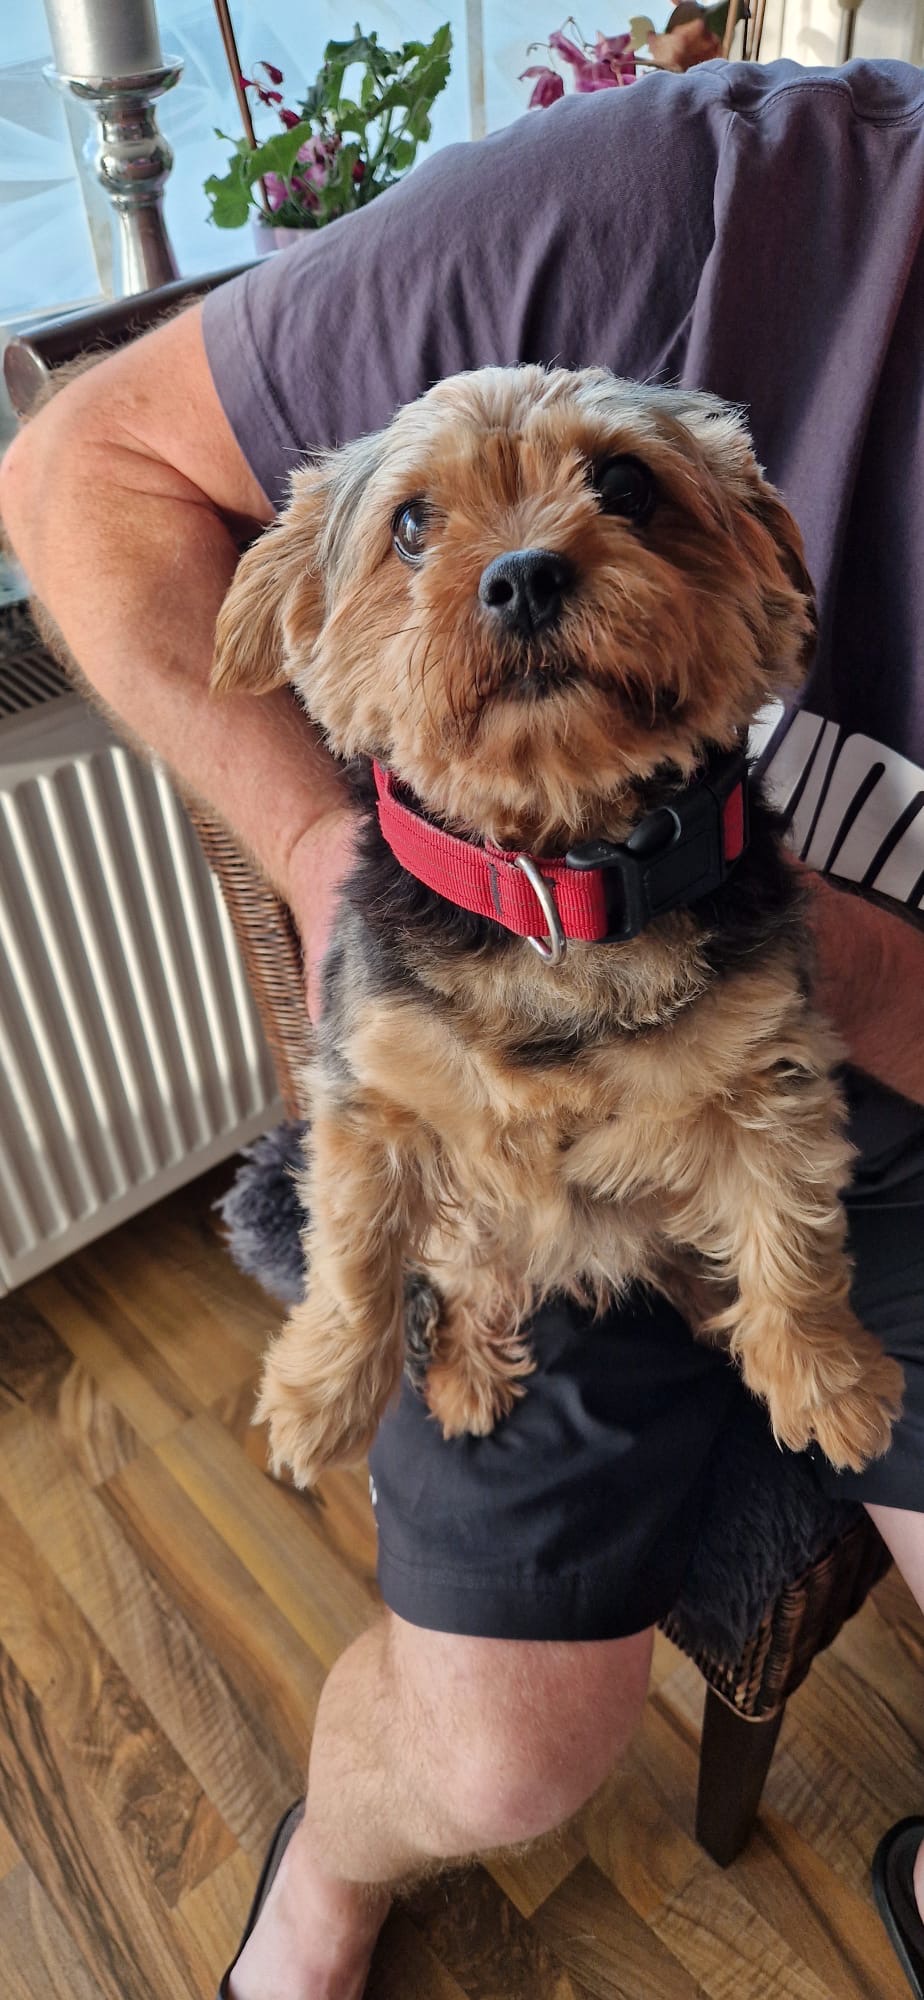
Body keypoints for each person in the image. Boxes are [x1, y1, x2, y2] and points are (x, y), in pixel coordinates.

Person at [2, 55, 923, 2000]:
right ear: (313, 614)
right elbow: (78, 470)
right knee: (498, 1752)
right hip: (495, 1104)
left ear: (757, 562)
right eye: (425, 533)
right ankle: (330, 1863)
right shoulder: (687, 188)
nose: (526, 560)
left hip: (858, 1081)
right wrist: (319, 850)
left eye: (618, 498)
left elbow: (779, 1105)